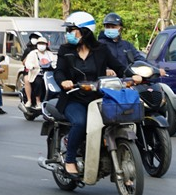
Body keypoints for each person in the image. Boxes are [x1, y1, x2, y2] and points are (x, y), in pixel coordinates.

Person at [54, 11, 140, 177]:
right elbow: (59, 72)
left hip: (98, 98)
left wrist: (132, 75)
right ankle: (70, 159)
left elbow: (119, 66)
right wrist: (64, 81)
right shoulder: (65, 50)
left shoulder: (101, 49)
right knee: (80, 122)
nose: (68, 33)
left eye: (72, 29)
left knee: (116, 121)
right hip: (74, 98)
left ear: (84, 31)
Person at [23, 36, 56, 107]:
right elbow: (28, 62)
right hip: (37, 73)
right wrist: (31, 66)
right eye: (40, 43)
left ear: (46, 45)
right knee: (38, 83)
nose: (41, 45)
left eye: (43, 43)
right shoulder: (33, 53)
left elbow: (55, 62)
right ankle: (38, 101)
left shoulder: (49, 54)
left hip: (49, 75)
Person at [20, 32, 45, 107]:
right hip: (30, 71)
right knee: (27, 80)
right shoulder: (29, 50)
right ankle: (29, 100)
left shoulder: (46, 51)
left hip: (42, 71)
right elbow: (24, 62)